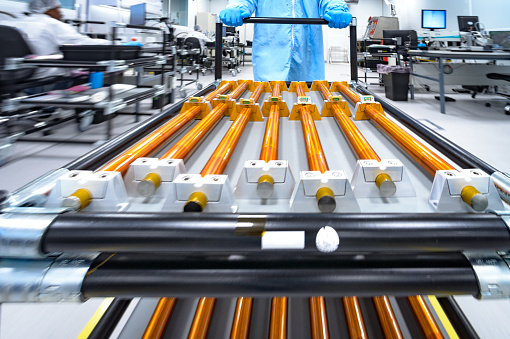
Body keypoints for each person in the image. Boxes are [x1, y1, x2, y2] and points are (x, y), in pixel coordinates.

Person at [219, 0, 352, 81]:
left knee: (308, 101)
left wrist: (336, 8)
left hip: (308, 53)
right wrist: (236, 7)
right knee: (270, 101)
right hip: (270, 53)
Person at [2, 0, 109, 82]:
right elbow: (82, 43)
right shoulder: (52, 24)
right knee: (72, 69)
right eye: (59, 9)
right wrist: (114, 44)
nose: (61, 14)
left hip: (8, 73)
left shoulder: (12, 22)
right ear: (50, 10)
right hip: (39, 72)